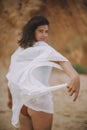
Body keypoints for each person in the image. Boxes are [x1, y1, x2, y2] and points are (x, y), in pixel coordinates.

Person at [6, 15, 80, 130]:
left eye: (46, 31)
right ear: (32, 31)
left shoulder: (20, 51)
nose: (44, 35)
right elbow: (63, 61)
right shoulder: (44, 48)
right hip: (39, 101)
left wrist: (11, 99)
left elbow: (12, 78)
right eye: (41, 31)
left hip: (23, 102)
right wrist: (75, 76)